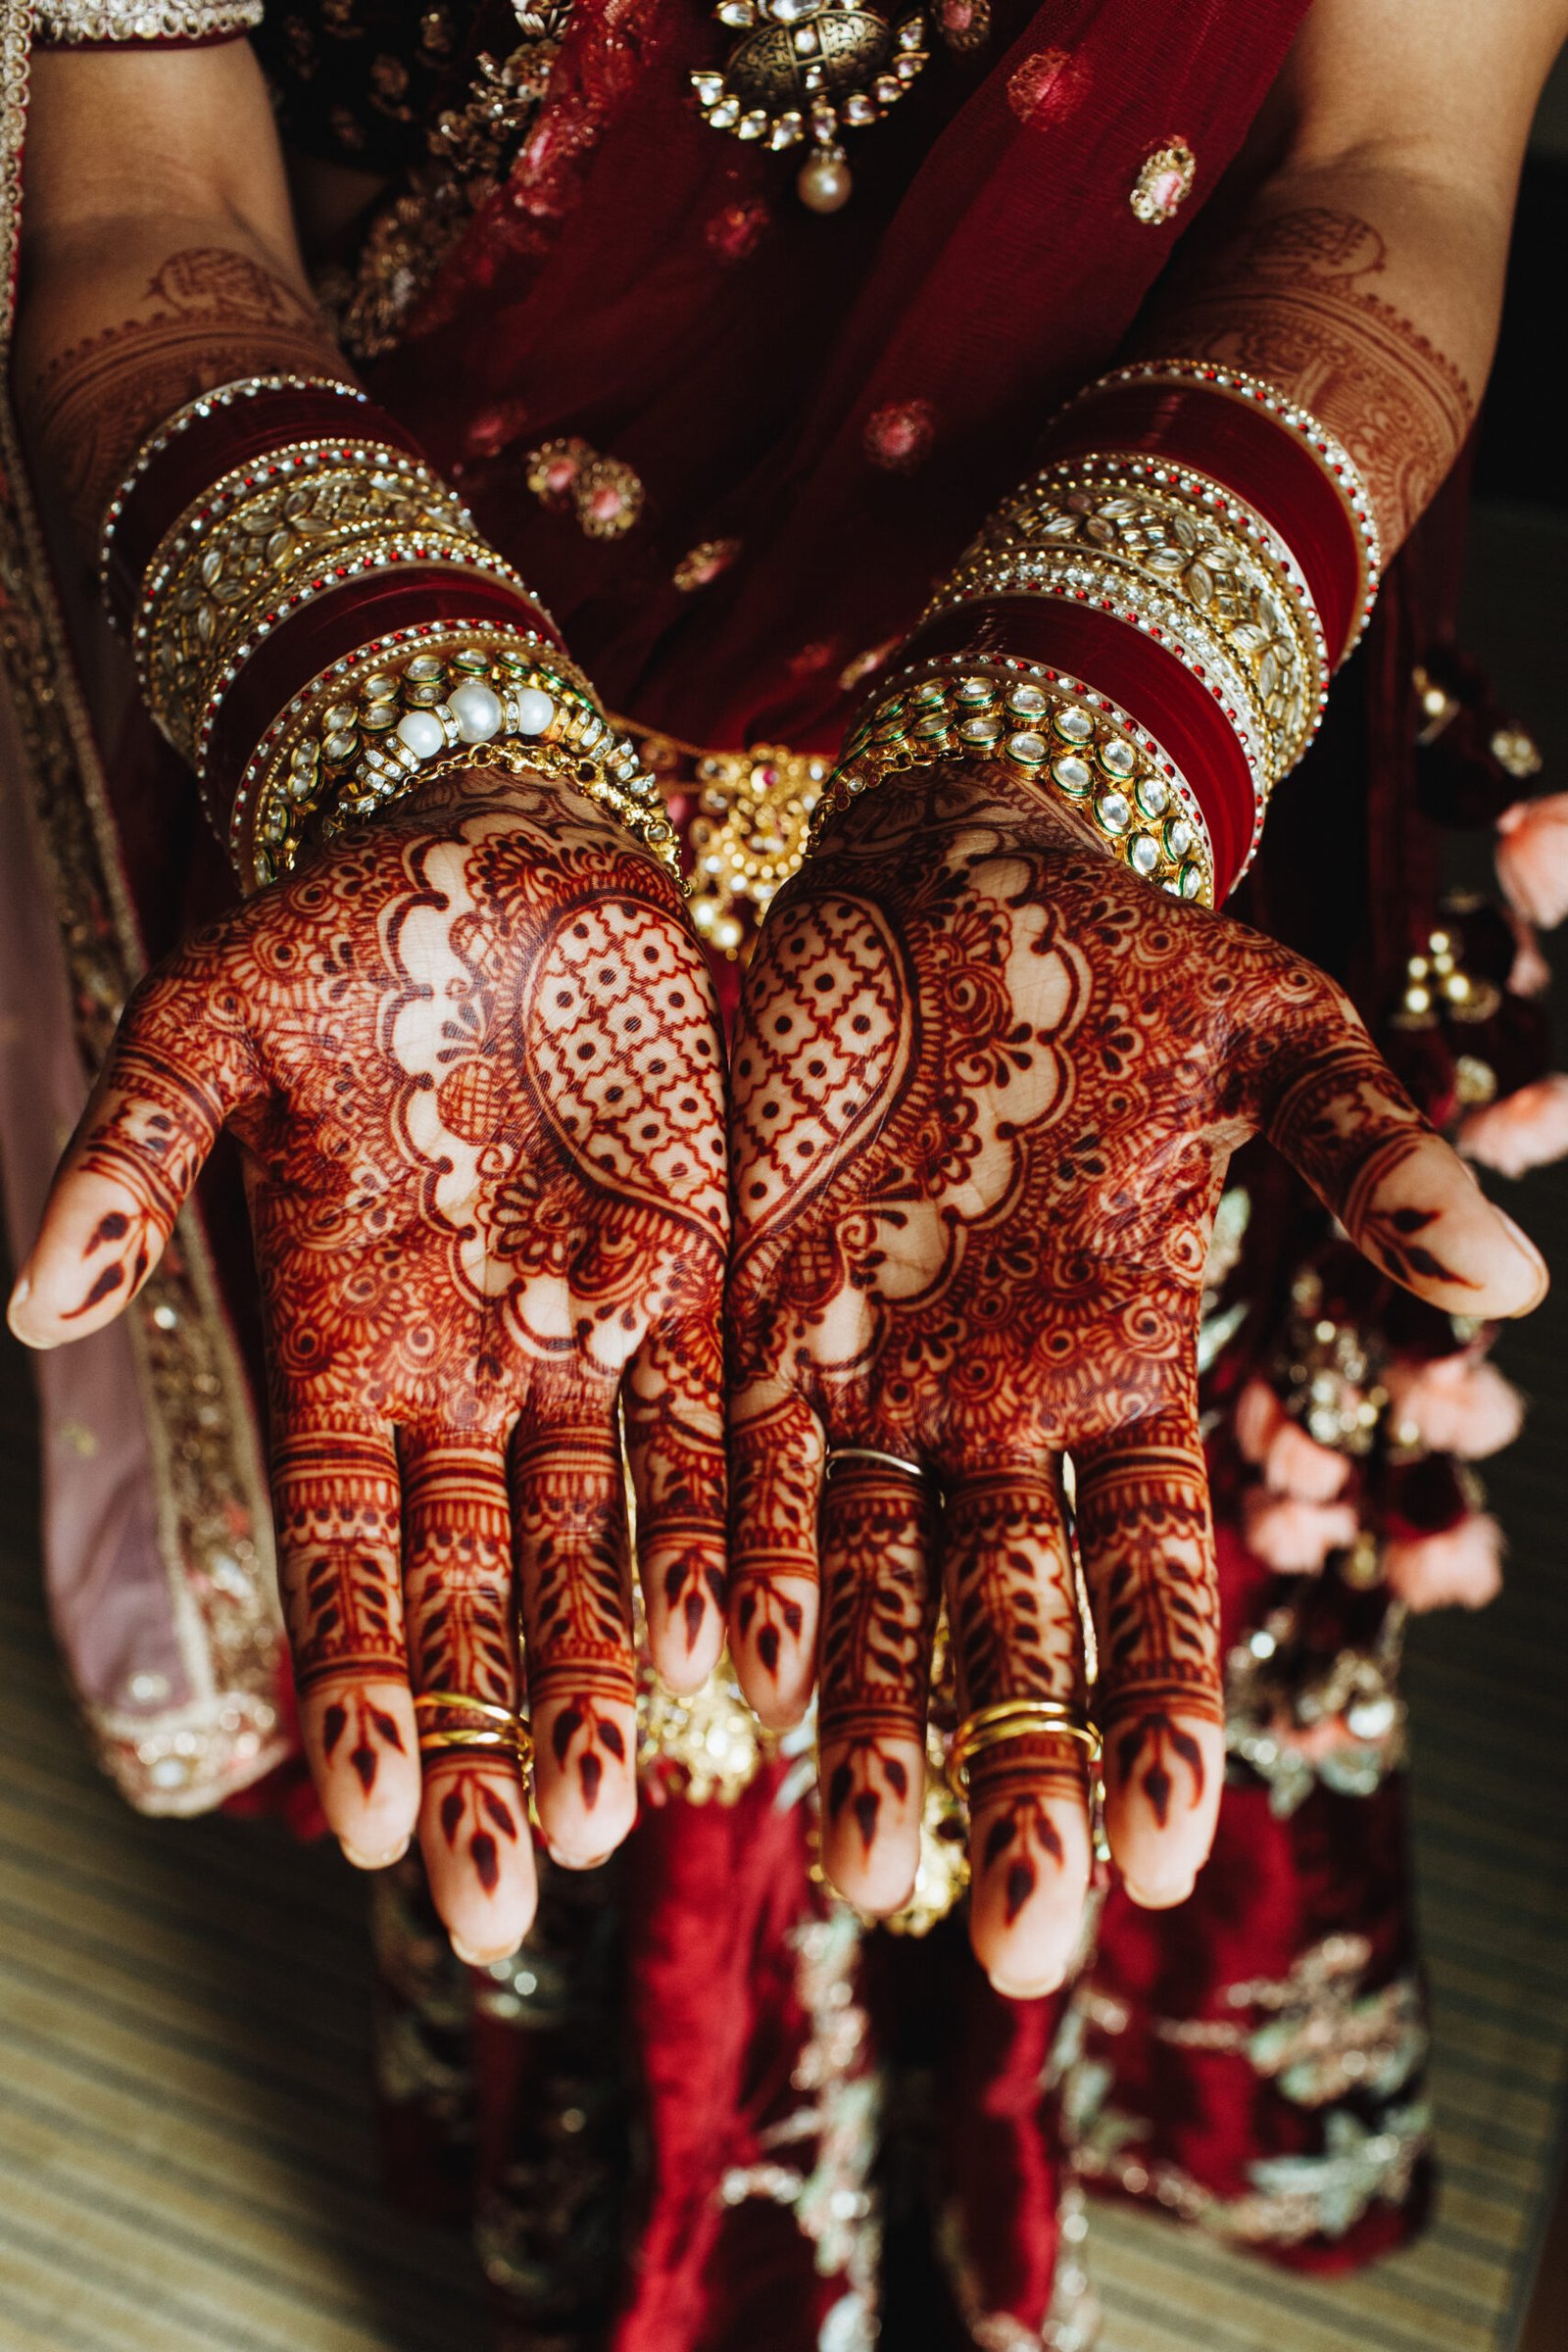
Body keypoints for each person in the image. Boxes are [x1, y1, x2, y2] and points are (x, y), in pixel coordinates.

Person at [1, 0, 1564, 2340]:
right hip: (419, 610)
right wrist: (412, 742)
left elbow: (1401, 159)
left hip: (1146, 661)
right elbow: (138, 184)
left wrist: (1054, 762)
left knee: (1015, 1477)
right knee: (547, 1564)